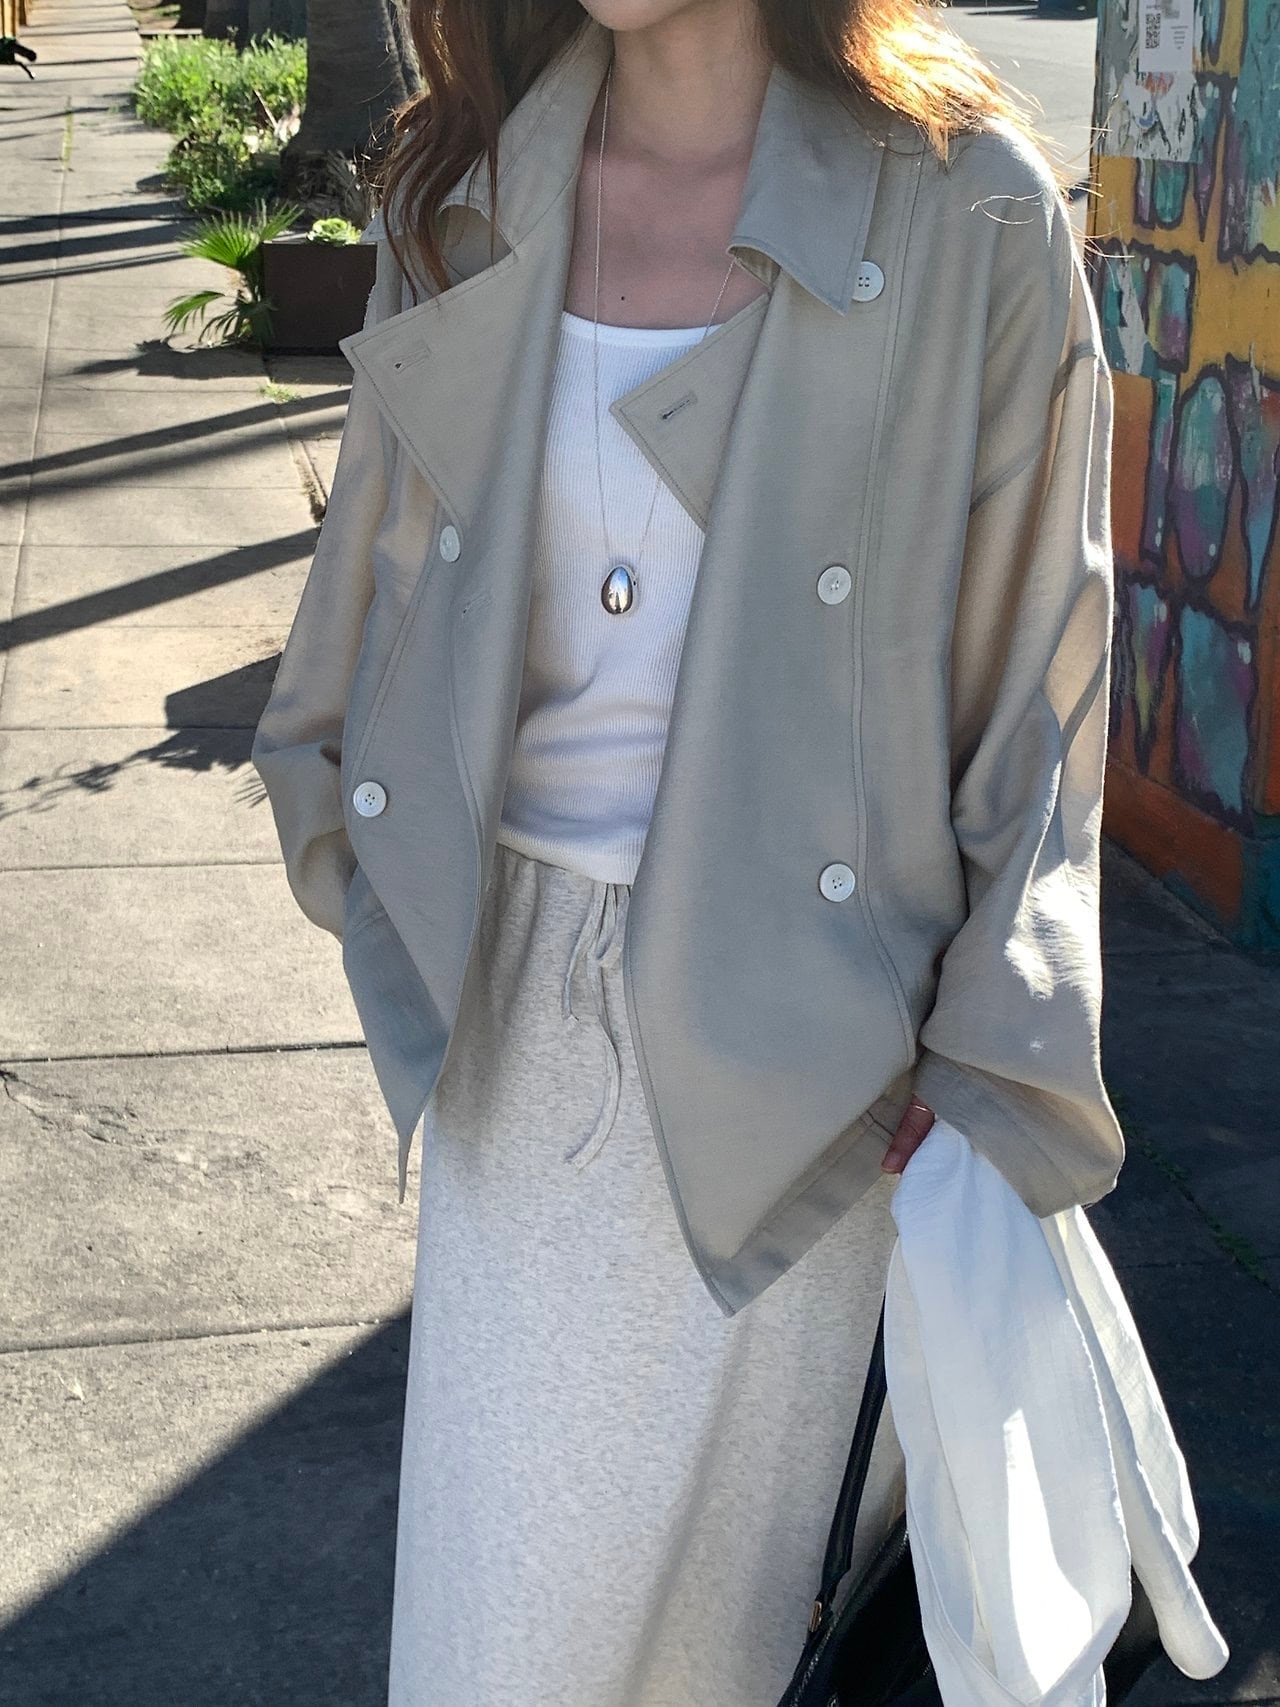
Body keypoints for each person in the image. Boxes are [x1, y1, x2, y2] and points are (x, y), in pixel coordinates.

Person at [251, 3, 1227, 1702]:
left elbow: (1040, 688)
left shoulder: (972, 206)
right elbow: (378, 591)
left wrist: (988, 1056)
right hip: (504, 1033)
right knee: (498, 1644)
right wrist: (354, 851)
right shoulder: (468, 187)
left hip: (811, 1060)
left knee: (728, 1646)